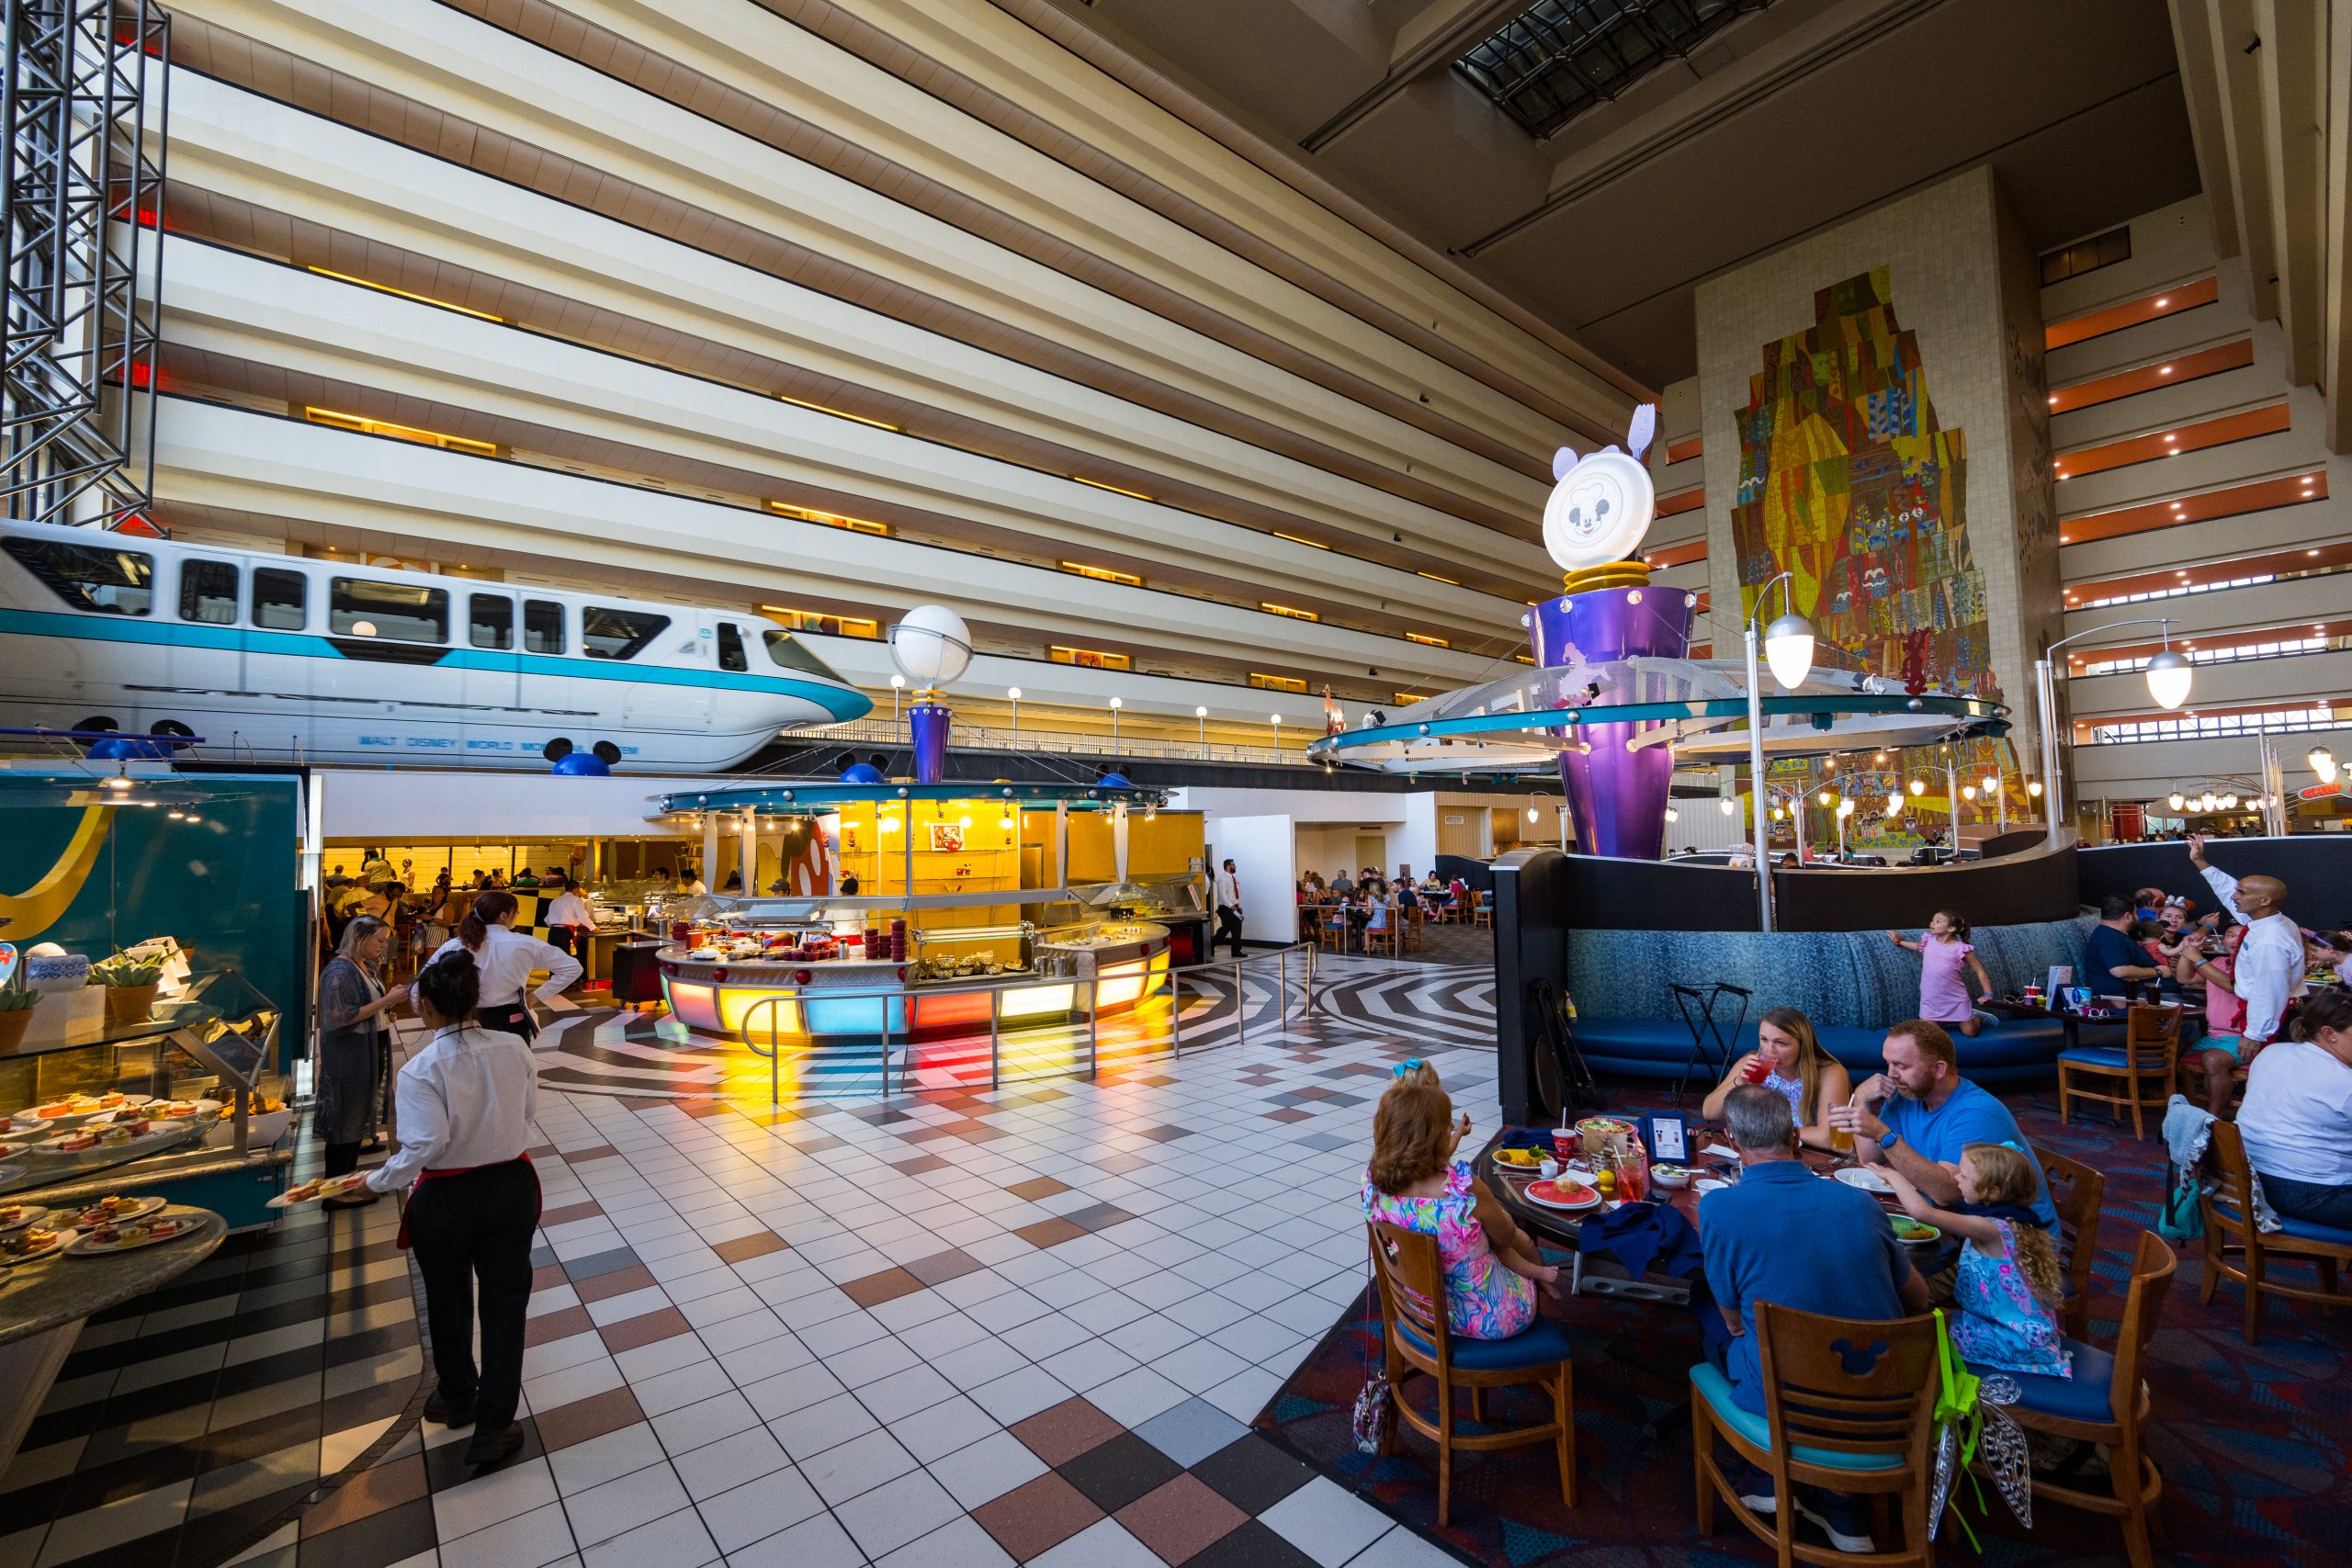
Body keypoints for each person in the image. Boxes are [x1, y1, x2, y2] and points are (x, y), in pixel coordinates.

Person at [1698, 1085, 1927, 1553]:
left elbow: (1734, 1321)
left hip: (1789, 1399)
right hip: (1886, 1400)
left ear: (1732, 1141)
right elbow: (1919, 1300)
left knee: (1707, 1327)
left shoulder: (1719, 1207)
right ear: (1795, 1138)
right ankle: (1840, 1505)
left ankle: (1771, 1479)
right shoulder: (1863, 1205)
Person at [368, 950, 539, 1469]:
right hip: (511, 1187)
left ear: (426, 1009)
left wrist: (374, 1181)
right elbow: (527, 1114)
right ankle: (493, 1425)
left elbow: (424, 1145)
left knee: (446, 1297)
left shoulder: (421, 1069)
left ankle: (457, 1391)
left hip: (445, 1195)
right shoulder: (515, 1048)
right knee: (506, 1305)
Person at [1361, 1082, 1556, 1338]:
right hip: (1490, 1319)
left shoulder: (1373, 1188)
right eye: (1446, 1125)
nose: (1451, 1129)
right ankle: (1542, 1335)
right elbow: (1507, 1237)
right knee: (1515, 1246)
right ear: (1432, 1137)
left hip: (1418, 1312)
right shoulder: (1462, 1189)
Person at [1831, 1020, 2057, 1231]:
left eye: (1900, 1065)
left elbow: (1946, 1192)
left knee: (1878, 1264)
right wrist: (1860, 1098)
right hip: (1954, 1223)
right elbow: (1870, 1160)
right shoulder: (1906, 1094)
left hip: (2012, 1252)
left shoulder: (1976, 1112)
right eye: (1888, 1063)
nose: (1890, 1074)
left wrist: (1884, 1134)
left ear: (1939, 1069)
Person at [1881, 1147, 2069, 1378]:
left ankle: (1920, 1395)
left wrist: (1893, 1176)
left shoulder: (1990, 1229)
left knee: (1913, 1335)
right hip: (2023, 1333)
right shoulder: (2018, 1220)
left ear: (1992, 1191)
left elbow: (1922, 1213)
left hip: (2011, 1340)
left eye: (1964, 1176)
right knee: (1922, 1318)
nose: (1957, 1177)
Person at [2234, 988, 2352, 1227]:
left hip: (2247, 1179)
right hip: (2307, 1192)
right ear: (2329, 1033)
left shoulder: (2272, 1053)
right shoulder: (2344, 1081)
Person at [316, 916, 409, 1201]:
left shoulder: (365, 965)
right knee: (345, 1115)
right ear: (359, 938)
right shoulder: (339, 972)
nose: (383, 946)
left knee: (356, 1113)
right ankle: (335, 1191)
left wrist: (384, 1012)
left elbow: (367, 1006)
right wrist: (387, 1002)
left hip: (369, 1045)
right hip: (349, 1053)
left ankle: (348, 1183)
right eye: (379, 940)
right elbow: (340, 1017)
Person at [2188, 833, 2303, 1063]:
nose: (2234, 896)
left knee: (2258, 1071)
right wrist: (2200, 861)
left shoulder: (2270, 939)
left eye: (2242, 893)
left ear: (2264, 901)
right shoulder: (2264, 919)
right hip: (2262, 1013)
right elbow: (2226, 888)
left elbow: (2269, 989)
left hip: (2268, 1018)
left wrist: (2254, 1034)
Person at [1701, 1007, 1853, 1152]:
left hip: (1809, 1154)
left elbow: (1829, 1137)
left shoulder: (1828, 1073)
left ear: (1803, 1045)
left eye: (1781, 1043)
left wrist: (1767, 1134)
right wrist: (1739, 1082)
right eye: (1764, 1039)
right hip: (1761, 1152)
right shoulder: (1751, 1063)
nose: (1769, 1050)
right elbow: (1709, 1112)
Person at [435, 890, 581, 1040]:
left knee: (474, 1062)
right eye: (516, 912)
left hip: (465, 1018)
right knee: (512, 1061)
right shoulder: (525, 943)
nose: (517, 915)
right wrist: (535, 996)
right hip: (511, 1019)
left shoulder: (454, 945)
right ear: (503, 916)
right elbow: (573, 968)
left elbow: (425, 979)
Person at [2176, 920, 2248, 1114]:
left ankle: (2213, 1119)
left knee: (2213, 1060)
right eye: (2231, 935)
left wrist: (2198, 959)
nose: (2235, 939)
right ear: (2223, 940)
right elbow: (2184, 978)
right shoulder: (2217, 963)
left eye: (2242, 935)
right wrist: (2187, 950)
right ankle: (2186, 1109)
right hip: (2213, 1036)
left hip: (2241, 1037)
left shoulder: (2252, 966)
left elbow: (2232, 986)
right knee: (2172, 1051)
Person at [1887, 912, 1996, 1035]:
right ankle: (1944, 1021)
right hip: (1931, 1000)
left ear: (1951, 928)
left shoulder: (1961, 948)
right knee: (1931, 1034)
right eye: (1932, 920)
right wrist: (1900, 942)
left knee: (1970, 1032)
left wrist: (1988, 994)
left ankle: (1977, 1017)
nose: (1932, 923)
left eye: (1938, 921)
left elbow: (1980, 971)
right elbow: (1916, 946)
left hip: (1956, 999)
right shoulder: (1928, 940)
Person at [2081, 895, 2163, 993]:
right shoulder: (2108, 937)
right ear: (2128, 916)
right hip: (2123, 997)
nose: (2137, 917)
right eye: (2135, 913)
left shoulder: (2116, 934)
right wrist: (2158, 972)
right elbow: (2120, 971)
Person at [543, 875, 595, 962]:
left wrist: (557, 924)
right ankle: (566, 975)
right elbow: (583, 917)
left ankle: (554, 975)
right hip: (566, 933)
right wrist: (593, 928)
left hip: (553, 932)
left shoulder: (555, 900)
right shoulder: (577, 900)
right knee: (566, 959)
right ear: (576, 889)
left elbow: (547, 920)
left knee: (554, 958)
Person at [1213, 857, 1244, 960]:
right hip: (1226, 908)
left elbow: (1237, 894)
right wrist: (1231, 906)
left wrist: (1239, 906)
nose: (1235, 866)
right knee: (1226, 929)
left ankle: (1236, 951)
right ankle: (1212, 944)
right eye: (1233, 864)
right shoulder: (1222, 879)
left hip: (1234, 908)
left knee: (1237, 929)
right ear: (1228, 866)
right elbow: (1223, 895)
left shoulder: (1234, 878)